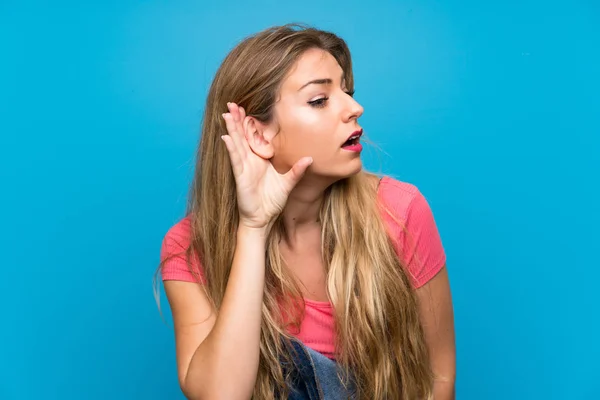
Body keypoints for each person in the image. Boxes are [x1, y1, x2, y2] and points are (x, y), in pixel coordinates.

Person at [157, 23, 456, 400]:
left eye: (347, 92)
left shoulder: (400, 212)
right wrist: (253, 227)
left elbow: (437, 379)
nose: (355, 108)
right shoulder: (188, 248)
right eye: (320, 100)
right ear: (258, 134)